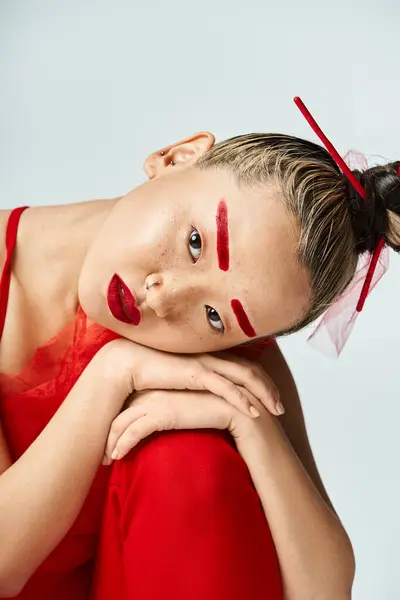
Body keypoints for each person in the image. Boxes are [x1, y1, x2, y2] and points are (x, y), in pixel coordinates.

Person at [1, 124, 398, 600]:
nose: (165, 299)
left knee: (193, 449)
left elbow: (324, 591)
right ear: (177, 157)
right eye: (196, 243)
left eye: (214, 316)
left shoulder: (223, 354)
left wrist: (252, 426)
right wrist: (110, 374)